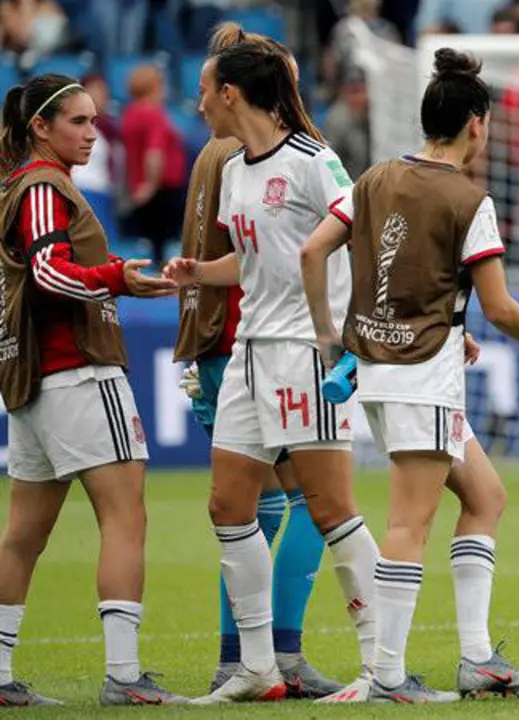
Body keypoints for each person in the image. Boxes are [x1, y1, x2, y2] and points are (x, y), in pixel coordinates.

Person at [300, 48, 519, 703]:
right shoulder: (468, 199)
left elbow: (315, 251)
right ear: (476, 124)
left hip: (381, 371)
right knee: (408, 523)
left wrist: (329, 334)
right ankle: (387, 675)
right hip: (422, 376)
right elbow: (503, 305)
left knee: (486, 498)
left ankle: (476, 658)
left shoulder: (374, 178)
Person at [164, 40, 379, 704]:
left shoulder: (317, 163)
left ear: (231, 93)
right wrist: (200, 272)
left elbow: (355, 228)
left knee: (330, 508)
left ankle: (383, 666)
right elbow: (255, 263)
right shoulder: (234, 171)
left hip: (302, 357)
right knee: (229, 507)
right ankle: (257, 668)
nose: (198, 102)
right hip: (250, 355)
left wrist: (338, 333)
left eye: (206, 90)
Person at [0, 73, 183, 706]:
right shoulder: (44, 186)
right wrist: (117, 280)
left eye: (94, 120)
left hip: (33, 380)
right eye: (77, 121)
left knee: (24, 534)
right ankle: (124, 677)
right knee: (125, 515)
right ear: (40, 129)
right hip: (77, 369)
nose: (91, 132)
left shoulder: (21, 187)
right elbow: (51, 273)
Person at [120, 63, 188, 269]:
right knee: (165, 248)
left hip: (140, 188)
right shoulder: (153, 114)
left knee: (152, 248)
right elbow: (154, 153)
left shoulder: (129, 114)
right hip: (161, 190)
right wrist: (151, 185)